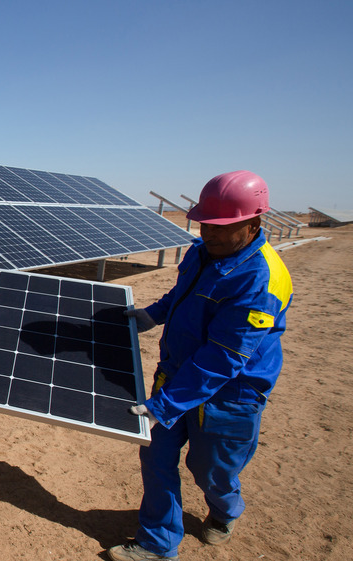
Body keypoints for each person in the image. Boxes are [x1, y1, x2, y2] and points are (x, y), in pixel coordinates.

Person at [109, 170, 294, 561]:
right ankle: (158, 543)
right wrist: (153, 315)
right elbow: (184, 294)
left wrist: (165, 405)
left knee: (211, 471)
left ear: (254, 222)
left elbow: (225, 355)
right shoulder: (200, 251)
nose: (211, 233)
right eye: (206, 223)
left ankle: (225, 511)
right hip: (176, 375)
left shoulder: (262, 279)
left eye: (223, 227)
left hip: (231, 393)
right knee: (156, 458)